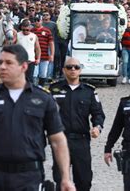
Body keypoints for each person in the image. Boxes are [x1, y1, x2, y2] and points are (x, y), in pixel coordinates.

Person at [0, 44, 75, 191]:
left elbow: (58, 141)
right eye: (0, 62)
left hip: (29, 177)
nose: (2, 67)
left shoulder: (43, 99)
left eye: (9, 63)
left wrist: (66, 178)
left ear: (23, 66)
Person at [49, 57, 105, 191]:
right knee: (61, 180)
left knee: (84, 181)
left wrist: (97, 127)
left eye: (76, 67)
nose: (73, 69)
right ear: (63, 70)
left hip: (81, 141)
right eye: (69, 67)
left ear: (80, 70)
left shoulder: (89, 91)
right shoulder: (54, 89)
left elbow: (98, 114)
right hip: (61, 141)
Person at [31, 17, 54, 86]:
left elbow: (51, 43)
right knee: (34, 74)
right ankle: (34, 88)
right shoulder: (31, 31)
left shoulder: (47, 31)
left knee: (43, 74)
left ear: (41, 21)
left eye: (38, 20)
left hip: (45, 56)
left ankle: (41, 88)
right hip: (34, 56)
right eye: (35, 20)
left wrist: (52, 55)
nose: (36, 22)